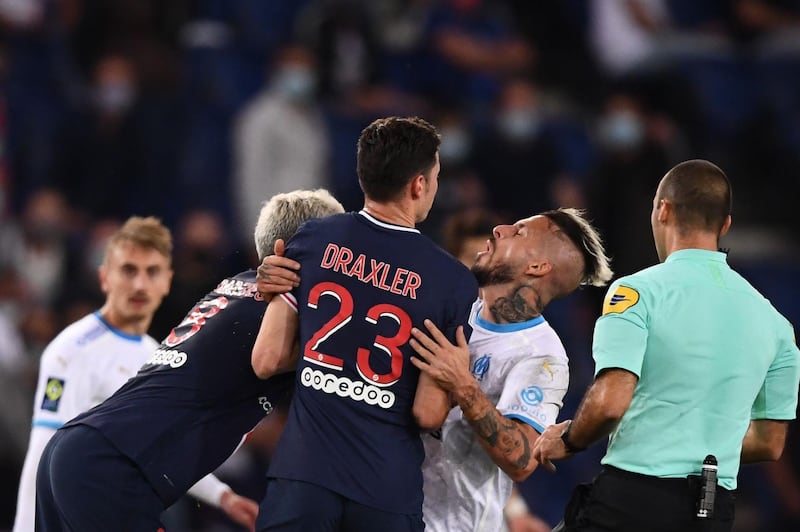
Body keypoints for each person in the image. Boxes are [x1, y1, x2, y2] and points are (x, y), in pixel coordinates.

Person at [257, 207, 613, 532]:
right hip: (376, 504)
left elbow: (521, 459)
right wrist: (285, 281)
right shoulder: (449, 303)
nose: (500, 229)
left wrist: (464, 386)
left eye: (519, 232)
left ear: (537, 268)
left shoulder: (542, 356)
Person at [31, 192, 342, 531]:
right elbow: (272, 360)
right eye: (338, 250)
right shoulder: (286, 309)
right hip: (113, 468)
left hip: (77, 452)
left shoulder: (235, 285)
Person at [532, 159, 800, 532]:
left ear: (663, 210)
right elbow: (770, 442)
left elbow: (610, 401)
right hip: (711, 512)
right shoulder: (776, 325)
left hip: (631, 503)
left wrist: (571, 438)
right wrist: (699, 434)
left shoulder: (636, 292)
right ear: (725, 225)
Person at [250, 116, 479, 532]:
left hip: (304, 477)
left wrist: (332, 364)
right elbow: (428, 413)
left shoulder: (312, 239)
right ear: (418, 185)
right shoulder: (452, 281)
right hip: (385, 492)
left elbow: (266, 360)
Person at [14, 216, 258, 531]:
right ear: (104, 278)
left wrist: (222, 496)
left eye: (152, 272)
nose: (140, 284)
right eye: (129, 270)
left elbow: (161, 447)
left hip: (124, 500)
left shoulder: (158, 352)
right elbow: (43, 449)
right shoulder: (71, 350)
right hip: (82, 506)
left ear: (167, 281)